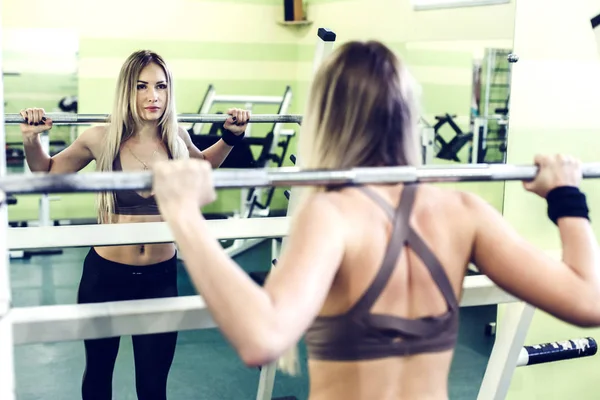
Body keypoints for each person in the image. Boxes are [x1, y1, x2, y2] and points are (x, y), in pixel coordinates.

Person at [152, 41, 600, 400]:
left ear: (327, 120)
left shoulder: (332, 215)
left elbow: (262, 338)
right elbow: (588, 300)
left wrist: (183, 213)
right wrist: (566, 194)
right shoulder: (466, 213)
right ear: (407, 116)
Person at [18, 50, 250, 400]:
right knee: (98, 376)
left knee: (154, 385)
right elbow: (47, 173)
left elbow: (203, 166)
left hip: (159, 278)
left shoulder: (178, 138)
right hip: (105, 277)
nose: (152, 96)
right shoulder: (100, 138)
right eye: (142, 86)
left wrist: (231, 137)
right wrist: (31, 139)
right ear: (128, 89)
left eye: (161, 86)